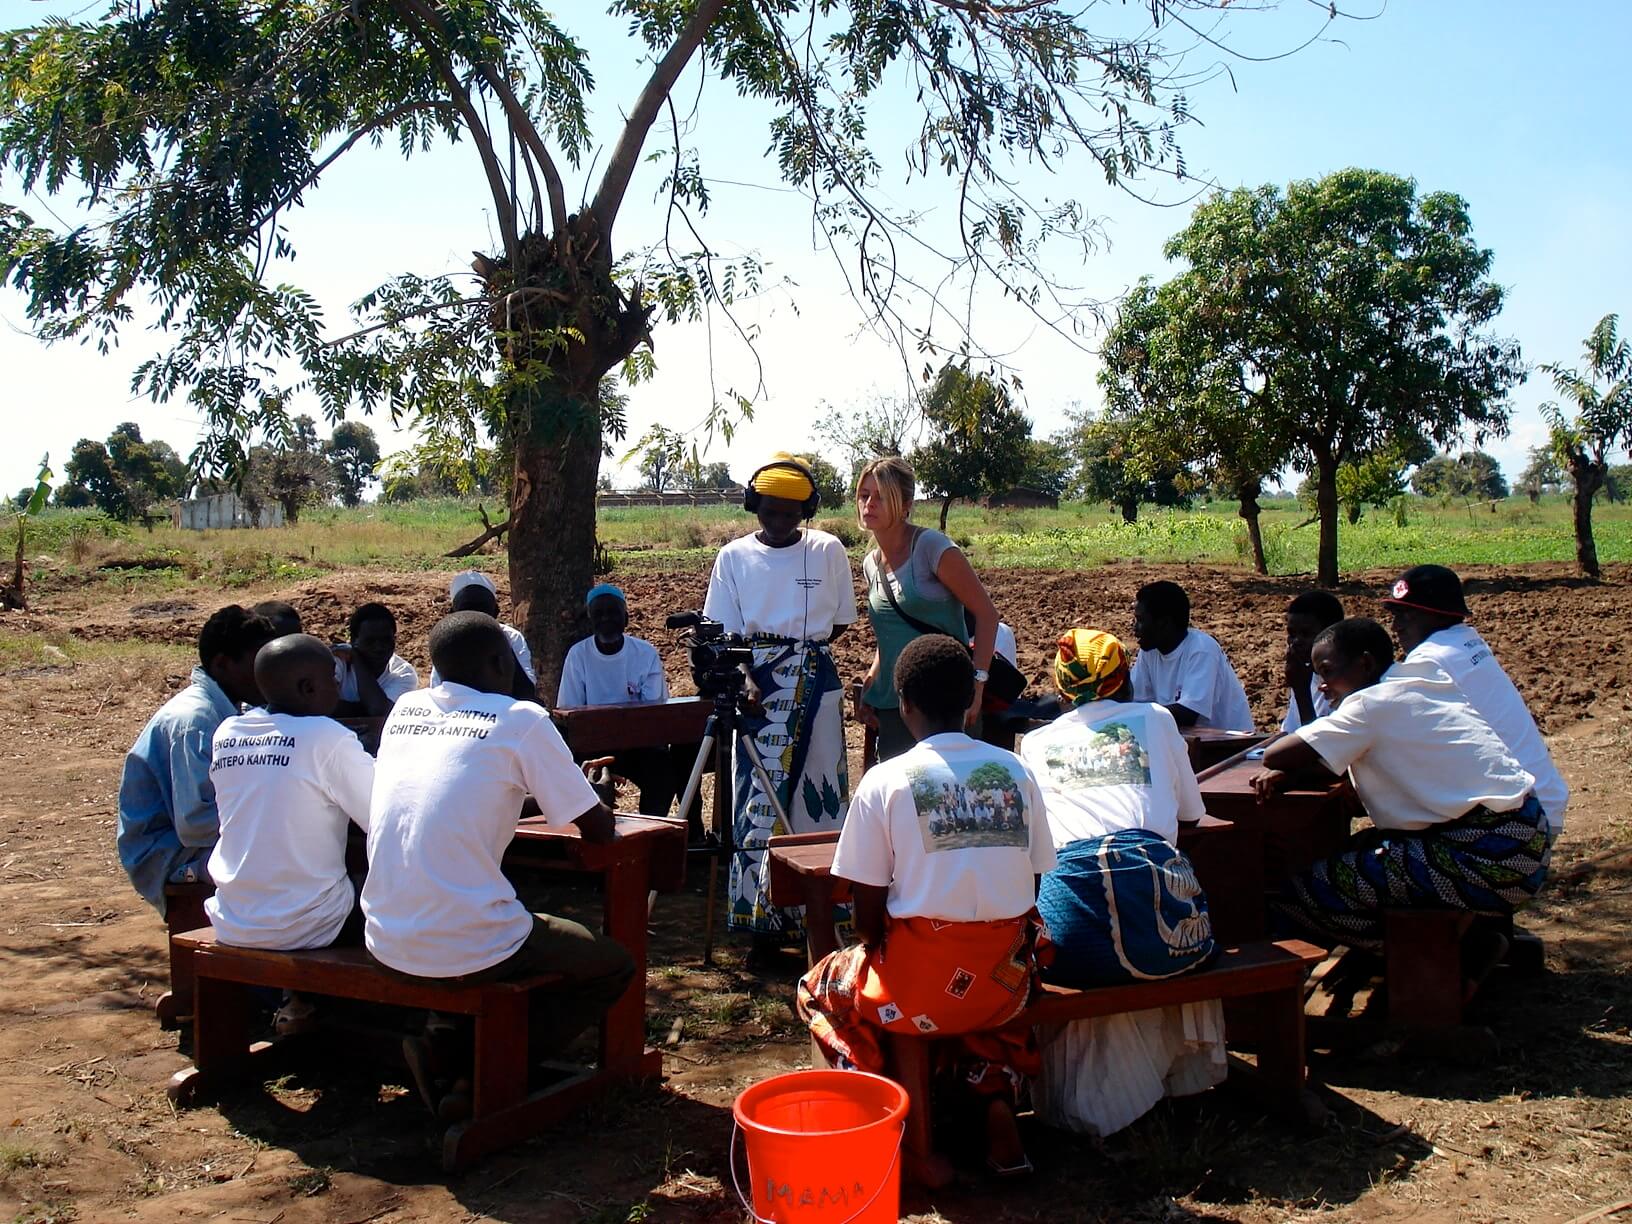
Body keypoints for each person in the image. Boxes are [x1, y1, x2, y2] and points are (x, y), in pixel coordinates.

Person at [797, 635, 1054, 1182]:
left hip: (920, 990)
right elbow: (1029, 881)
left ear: (904, 703)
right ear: (969, 702)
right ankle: (994, 1103)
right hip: (1004, 988)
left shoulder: (885, 781)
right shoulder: (1016, 771)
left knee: (821, 985)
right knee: (976, 961)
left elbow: (864, 909)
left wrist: (878, 942)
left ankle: (898, 1128)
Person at [362, 611, 633, 1120]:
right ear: (499, 661)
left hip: (384, 937)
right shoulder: (522, 719)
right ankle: (481, 1069)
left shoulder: (407, 708)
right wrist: (593, 795)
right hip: (467, 945)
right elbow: (596, 830)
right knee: (610, 966)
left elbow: (468, 781)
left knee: (488, 916)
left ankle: (447, 1049)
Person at [1018, 628, 1223, 1137]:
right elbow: (1191, 815)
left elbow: (1037, 847)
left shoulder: (1037, 742)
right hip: (1160, 932)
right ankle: (1180, 1081)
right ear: (1124, 678)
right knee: (1185, 914)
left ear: (1063, 692)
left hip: (1074, 939)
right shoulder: (1156, 719)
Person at [1255, 617, 1550, 958]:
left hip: (1488, 858)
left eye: (1326, 671)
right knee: (1355, 854)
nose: (1322, 685)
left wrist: (1290, 768)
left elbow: (1277, 754)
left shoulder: (1368, 704)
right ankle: (1458, 944)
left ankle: (1438, 956)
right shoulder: (1421, 678)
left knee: (1307, 890)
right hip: (1527, 838)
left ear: (1365, 664)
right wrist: (1300, 773)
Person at [703, 454, 856, 961]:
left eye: (792, 513)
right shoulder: (732, 558)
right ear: (754, 506)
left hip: (817, 678)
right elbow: (723, 632)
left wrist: (797, 654)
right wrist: (754, 672)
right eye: (771, 512)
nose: (782, 522)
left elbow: (838, 622)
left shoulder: (828, 550)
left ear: (807, 510)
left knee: (819, 795)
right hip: (757, 686)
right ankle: (762, 928)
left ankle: (818, 919)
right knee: (759, 801)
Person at [207, 634, 375, 1034]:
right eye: (333, 678)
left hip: (235, 915)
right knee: (404, 898)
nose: (339, 686)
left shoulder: (228, 733)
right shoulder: (326, 737)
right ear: (308, 688)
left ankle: (304, 1005)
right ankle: (420, 1024)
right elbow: (382, 818)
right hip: (310, 923)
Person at [117, 606, 280, 913]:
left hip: (190, 842)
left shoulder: (228, 710)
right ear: (222, 664)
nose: (269, 673)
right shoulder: (196, 721)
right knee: (284, 861)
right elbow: (194, 825)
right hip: (169, 854)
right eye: (259, 663)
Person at [1382, 564, 1569, 833]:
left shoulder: (1432, 659)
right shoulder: (1467, 641)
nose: (1396, 626)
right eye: (1395, 614)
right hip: (1543, 806)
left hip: (1522, 823)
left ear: (1438, 615)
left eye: (1407, 614)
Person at [854, 455, 1003, 761]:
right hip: (895, 706)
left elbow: (987, 615)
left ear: (906, 504)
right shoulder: (870, 564)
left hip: (945, 703)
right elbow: (892, 634)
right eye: (864, 495)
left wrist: (977, 685)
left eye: (881, 497)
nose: (869, 504)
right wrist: (871, 683)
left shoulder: (932, 548)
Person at [559, 584, 700, 830]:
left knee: (663, 775)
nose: (606, 619)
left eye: (612, 613)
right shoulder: (577, 656)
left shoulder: (645, 654)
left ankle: (646, 833)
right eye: (599, 614)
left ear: (625, 618)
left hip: (639, 745)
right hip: (593, 748)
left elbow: (652, 713)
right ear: (590, 619)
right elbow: (571, 714)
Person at [1128, 580, 1253, 732]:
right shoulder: (1149, 652)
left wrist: (1129, 714)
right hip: (1186, 741)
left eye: (1141, 620)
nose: (1135, 628)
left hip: (1229, 746)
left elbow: (1188, 714)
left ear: (1164, 623)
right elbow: (1136, 700)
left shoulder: (1202, 650)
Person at [428, 571, 537, 701]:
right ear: (453, 615)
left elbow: (527, 689)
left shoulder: (511, 637)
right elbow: (439, 691)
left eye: (482, 610)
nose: (476, 618)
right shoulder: (448, 641)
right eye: (468, 611)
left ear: (496, 612)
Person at [333, 601, 419, 717]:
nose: (379, 648)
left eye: (386, 640)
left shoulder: (403, 674)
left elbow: (379, 711)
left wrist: (357, 659)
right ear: (354, 640)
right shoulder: (338, 659)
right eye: (370, 641)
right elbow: (319, 706)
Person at [1281, 590, 1345, 734]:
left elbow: (1315, 749)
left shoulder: (1347, 683)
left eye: (1306, 634)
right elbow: (1290, 733)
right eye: (1292, 634)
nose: (1296, 642)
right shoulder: (1306, 674)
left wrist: (1301, 692)